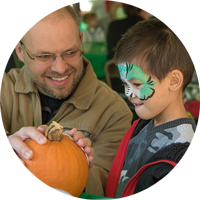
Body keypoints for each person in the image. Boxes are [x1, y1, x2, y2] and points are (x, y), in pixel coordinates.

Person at [0, 0, 133, 196]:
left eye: (70, 52)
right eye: (44, 56)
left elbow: (106, 187)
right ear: (20, 50)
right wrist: (4, 143)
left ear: (81, 40)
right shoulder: (2, 88)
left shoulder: (114, 111)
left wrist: (79, 166)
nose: (60, 68)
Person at [105, 17, 200, 199]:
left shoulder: (182, 163)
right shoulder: (139, 126)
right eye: (125, 84)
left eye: (137, 84)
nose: (129, 94)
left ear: (173, 81)